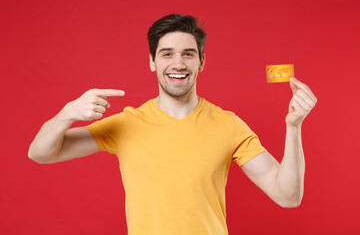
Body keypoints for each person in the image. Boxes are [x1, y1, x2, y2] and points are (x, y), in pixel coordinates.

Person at [28, 13, 317, 235]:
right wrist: (67, 113)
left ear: (201, 61)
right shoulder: (126, 124)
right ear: (152, 62)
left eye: (188, 54)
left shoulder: (229, 126)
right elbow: (40, 153)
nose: (177, 64)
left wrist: (294, 127)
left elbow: (288, 196)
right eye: (167, 54)